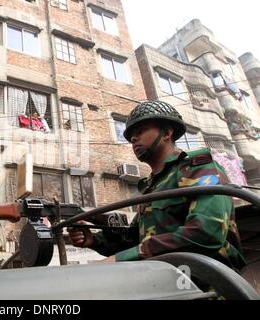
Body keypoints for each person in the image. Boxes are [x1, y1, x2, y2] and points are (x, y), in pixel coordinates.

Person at [68, 100, 246, 271]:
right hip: (162, 280)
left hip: (210, 284)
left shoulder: (199, 169)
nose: (134, 139)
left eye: (141, 130)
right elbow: (135, 241)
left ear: (167, 133)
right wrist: (94, 241)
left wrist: (118, 260)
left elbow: (206, 233)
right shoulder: (152, 187)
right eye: (130, 137)